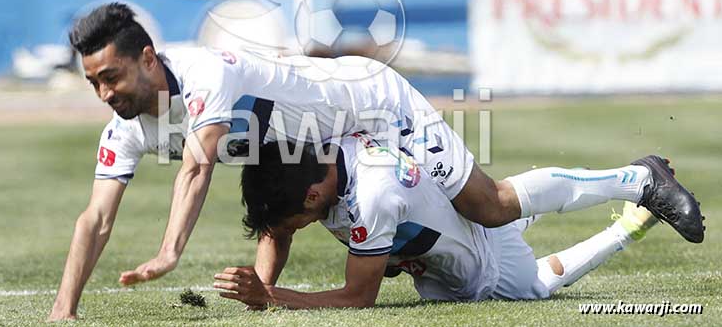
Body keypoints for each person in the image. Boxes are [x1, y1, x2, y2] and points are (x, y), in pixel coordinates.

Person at [48, 2, 704, 320]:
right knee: (292, 204)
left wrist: (169, 253)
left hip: (373, 103)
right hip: (339, 148)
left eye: (111, 77)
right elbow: (94, 220)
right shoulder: (128, 126)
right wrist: (63, 309)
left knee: (490, 203)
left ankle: (640, 178)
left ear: (148, 58)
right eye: (94, 84)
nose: (106, 94)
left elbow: (197, 165)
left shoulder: (206, 79)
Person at [214, 136, 686, 308]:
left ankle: (631, 217)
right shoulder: (315, 151)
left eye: (294, 222)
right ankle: (633, 180)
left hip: (480, 266)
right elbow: (278, 226)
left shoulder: (372, 197)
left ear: (315, 194)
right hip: (451, 211)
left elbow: (358, 298)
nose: (285, 232)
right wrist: (258, 284)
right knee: (503, 205)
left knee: (536, 284)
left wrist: (270, 296)